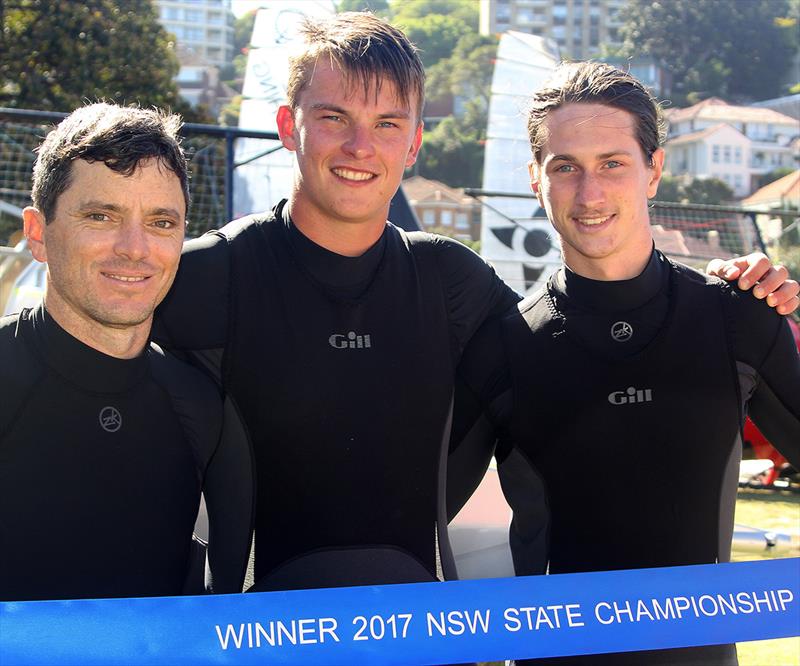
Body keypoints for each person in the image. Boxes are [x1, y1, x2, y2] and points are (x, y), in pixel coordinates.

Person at [155, 13, 797, 593]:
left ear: (415, 142)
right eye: (334, 118)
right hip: (256, 643)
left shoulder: (454, 284)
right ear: (290, 126)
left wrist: (735, 293)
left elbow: (597, 345)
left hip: (422, 648)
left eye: (386, 123)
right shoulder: (202, 278)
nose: (360, 147)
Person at [453, 62, 800, 665]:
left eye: (613, 162)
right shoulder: (503, 347)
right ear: (536, 178)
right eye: (566, 167)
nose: (590, 194)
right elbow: (408, 519)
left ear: (654, 170)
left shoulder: (737, 318)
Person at [0, 104, 253, 601]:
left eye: (161, 223)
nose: (135, 248)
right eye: (101, 216)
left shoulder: (201, 408)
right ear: (37, 233)